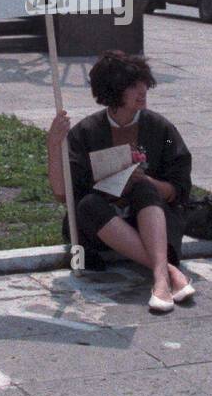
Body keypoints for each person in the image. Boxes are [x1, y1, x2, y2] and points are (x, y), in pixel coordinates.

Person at [46, 51, 195, 312]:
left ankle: (160, 280)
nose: (142, 91)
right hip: (105, 224)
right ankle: (168, 270)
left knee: (144, 187)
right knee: (87, 204)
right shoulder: (86, 133)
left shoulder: (161, 130)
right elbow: (63, 193)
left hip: (151, 218)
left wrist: (145, 179)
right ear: (113, 91)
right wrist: (53, 145)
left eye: (143, 83)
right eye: (132, 86)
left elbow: (179, 186)